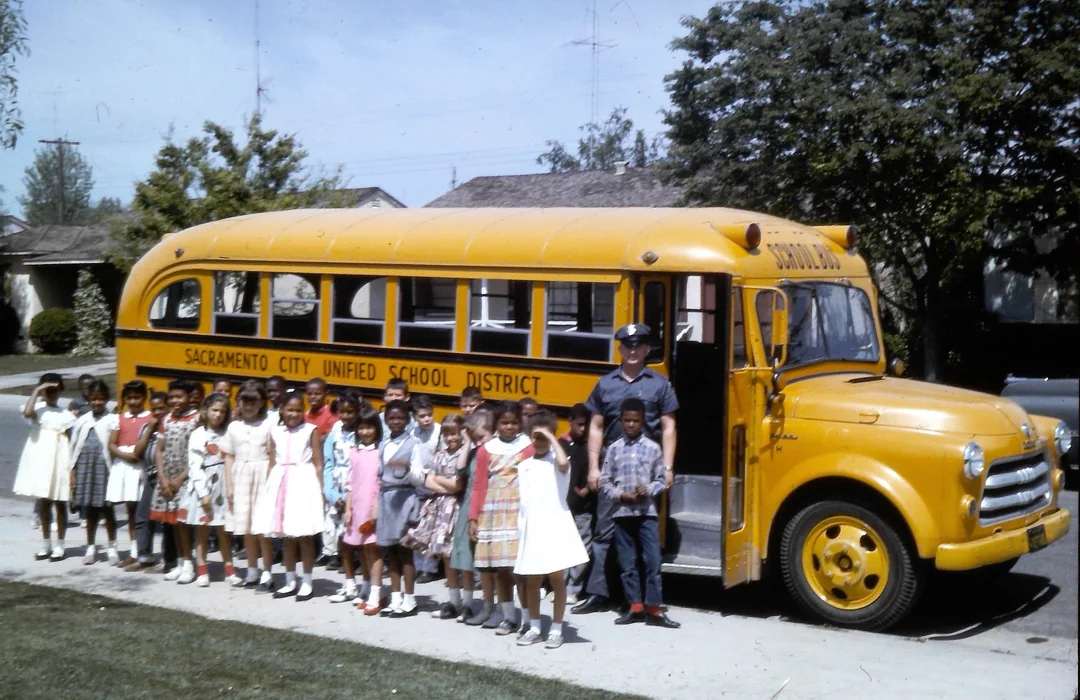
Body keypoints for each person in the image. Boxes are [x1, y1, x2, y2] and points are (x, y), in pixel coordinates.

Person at [574, 323, 679, 615]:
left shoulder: (660, 384)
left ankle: (641, 600)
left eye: (638, 346)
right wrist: (593, 468)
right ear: (619, 349)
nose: (632, 351)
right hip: (613, 467)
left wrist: (667, 468)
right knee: (605, 533)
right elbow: (595, 427)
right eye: (627, 346)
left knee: (642, 536)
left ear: (646, 350)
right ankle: (598, 592)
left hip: (646, 469)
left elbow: (669, 427)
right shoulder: (605, 384)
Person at [601, 398, 679, 628]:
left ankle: (654, 609)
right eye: (627, 420)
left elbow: (661, 480)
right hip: (622, 514)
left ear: (643, 421)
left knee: (652, 560)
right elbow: (604, 482)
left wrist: (649, 490)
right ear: (621, 421)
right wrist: (620, 495)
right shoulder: (614, 449)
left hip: (647, 513)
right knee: (628, 563)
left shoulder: (653, 448)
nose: (631, 425)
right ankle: (634, 606)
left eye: (636, 420)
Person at [514, 409, 589, 648]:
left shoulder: (558, 462)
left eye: (544, 437)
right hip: (533, 526)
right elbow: (524, 500)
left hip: (555, 524)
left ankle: (557, 629)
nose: (540, 442)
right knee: (532, 580)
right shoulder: (524, 465)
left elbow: (563, 463)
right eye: (536, 437)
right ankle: (535, 626)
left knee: (557, 579)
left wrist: (549, 434)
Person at [466, 401, 533, 634]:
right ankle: (508, 616)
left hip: (518, 512)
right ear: (496, 425)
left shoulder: (528, 447)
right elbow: (479, 486)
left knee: (519, 570)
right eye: (504, 423)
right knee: (500, 569)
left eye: (514, 422)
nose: (509, 427)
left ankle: (527, 617)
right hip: (493, 513)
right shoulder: (487, 450)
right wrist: (473, 518)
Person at [255, 393, 325, 601]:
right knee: (286, 536)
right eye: (289, 410)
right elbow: (271, 460)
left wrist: (318, 490)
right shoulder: (275, 431)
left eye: (297, 410)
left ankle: (307, 581)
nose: (293, 414)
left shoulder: (310, 430)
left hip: (302, 481)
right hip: (279, 481)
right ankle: (289, 580)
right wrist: (269, 486)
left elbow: (318, 462)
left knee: (303, 535)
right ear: (282, 411)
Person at [402, 414, 468, 618]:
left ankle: (468, 602)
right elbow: (427, 481)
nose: (450, 438)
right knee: (447, 557)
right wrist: (445, 483)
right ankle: (453, 601)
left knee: (461, 558)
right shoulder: (439, 455)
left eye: (454, 434)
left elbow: (459, 485)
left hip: (457, 509)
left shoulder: (463, 456)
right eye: (447, 434)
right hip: (440, 509)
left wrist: (441, 482)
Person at [13, 373, 77, 561]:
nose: (51, 394)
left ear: (60, 391)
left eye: (54, 390)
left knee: (60, 502)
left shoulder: (66, 415)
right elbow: (27, 413)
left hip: (60, 458)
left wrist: (72, 469)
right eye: (47, 391)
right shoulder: (38, 409)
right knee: (43, 502)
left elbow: (72, 441)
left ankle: (60, 545)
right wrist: (37, 391)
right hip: (41, 459)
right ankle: (46, 544)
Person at [221, 379, 274, 589]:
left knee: (261, 528)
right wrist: (230, 486)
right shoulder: (234, 427)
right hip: (241, 476)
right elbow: (228, 456)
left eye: (254, 402)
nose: (249, 406)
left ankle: (267, 572)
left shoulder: (268, 424)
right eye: (245, 401)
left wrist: (271, 482)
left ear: (262, 403)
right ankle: (252, 570)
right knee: (247, 528)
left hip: (262, 476)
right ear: (238, 402)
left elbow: (272, 455)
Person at [181, 393, 237, 587]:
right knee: (202, 530)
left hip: (223, 483)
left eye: (222, 411)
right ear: (206, 411)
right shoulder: (198, 435)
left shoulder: (228, 432)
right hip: (205, 483)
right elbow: (195, 465)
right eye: (214, 410)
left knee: (223, 530)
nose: (218, 415)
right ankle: (202, 569)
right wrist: (203, 493)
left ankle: (229, 569)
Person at [375, 399, 425, 617]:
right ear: (386, 420)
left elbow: (419, 477)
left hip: (405, 498)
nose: (396, 421)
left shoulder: (414, 444)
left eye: (400, 418)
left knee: (405, 552)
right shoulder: (384, 444)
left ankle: (410, 599)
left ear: (407, 420)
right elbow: (379, 473)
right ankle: (395, 597)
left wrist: (406, 468)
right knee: (390, 551)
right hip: (387, 499)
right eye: (392, 418)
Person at [149, 380, 200, 583]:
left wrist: (180, 479)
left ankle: (189, 562)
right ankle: (180, 561)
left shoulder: (196, 419)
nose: (175, 401)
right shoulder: (167, 419)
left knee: (183, 521)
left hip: (185, 477)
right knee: (173, 524)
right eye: (171, 397)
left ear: (189, 397)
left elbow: (198, 453)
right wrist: (162, 477)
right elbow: (160, 450)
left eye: (180, 397)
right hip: (167, 477)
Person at [448, 408, 491, 622]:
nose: (479, 443)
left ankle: (490, 606)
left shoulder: (495, 455)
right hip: (468, 508)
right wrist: (467, 443)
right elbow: (460, 468)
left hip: (488, 511)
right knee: (464, 557)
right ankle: (466, 604)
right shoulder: (475, 452)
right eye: (476, 439)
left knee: (485, 563)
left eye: (482, 437)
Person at [68, 380, 118, 565]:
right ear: (88, 399)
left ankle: (112, 548)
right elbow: (73, 447)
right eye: (94, 399)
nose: (97, 402)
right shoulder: (82, 420)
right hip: (85, 468)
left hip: (104, 469)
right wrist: (72, 471)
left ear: (106, 399)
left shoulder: (112, 419)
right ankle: (90, 547)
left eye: (101, 399)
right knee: (89, 511)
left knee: (107, 510)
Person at [107, 379, 154, 566]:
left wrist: (136, 455)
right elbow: (111, 443)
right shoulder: (119, 418)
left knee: (142, 511)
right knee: (130, 511)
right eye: (130, 398)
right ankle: (134, 551)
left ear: (144, 398)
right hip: (125, 464)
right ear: (124, 399)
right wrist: (124, 455)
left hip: (141, 465)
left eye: (137, 397)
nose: (133, 402)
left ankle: (144, 551)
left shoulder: (149, 417)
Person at [343, 405, 385, 613]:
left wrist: (375, 510)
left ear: (377, 429)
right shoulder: (354, 452)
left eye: (370, 428)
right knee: (361, 548)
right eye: (361, 428)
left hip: (373, 507)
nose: (365, 432)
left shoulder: (381, 451)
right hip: (358, 507)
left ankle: (376, 594)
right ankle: (367, 587)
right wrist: (348, 509)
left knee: (373, 549)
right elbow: (351, 484)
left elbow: (381, 483)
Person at [323, 392, 363, 602]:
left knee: (363, 540)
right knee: (343, 539)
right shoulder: (335, 431)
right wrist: (331, 494)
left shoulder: (364, 430)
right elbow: (328, 463)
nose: (346, 416)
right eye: (343, 412)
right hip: (338, 490)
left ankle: (367, 586)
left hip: (359, 488)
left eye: (350, 412)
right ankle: (349, 584)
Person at [127, 391, 170, 572]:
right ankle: (144, 556)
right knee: (143, 517)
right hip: (151, 477)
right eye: (154, 409)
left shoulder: (171, 426)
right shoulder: (147, 427)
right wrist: (149, 430)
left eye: (161, 408)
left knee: (167, 521)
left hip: (167, 479)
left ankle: (169, 560)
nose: (158, 412)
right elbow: (137, 452)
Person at [561, 403, 594, 603]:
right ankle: (560, 585)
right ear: (570, 422)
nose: (583, 429)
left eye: (587, 425)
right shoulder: (562, 445)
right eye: (580, 424)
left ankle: (574, 588)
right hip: (563, 507)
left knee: (582, 548)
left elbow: (599, 471)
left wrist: (587, 489)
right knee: (562, 547)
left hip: (584, 508)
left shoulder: (591, 446)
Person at [410, 393, 442, 584]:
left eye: (429, 414)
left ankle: (430, 568)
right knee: (416, 528)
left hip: (434, 485)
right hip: (417, 486)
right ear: (415, 417)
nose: (426, 419)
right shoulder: (412, 434)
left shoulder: (438, 432)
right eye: (422, 416)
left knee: (431, 530)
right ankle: (417, 566)